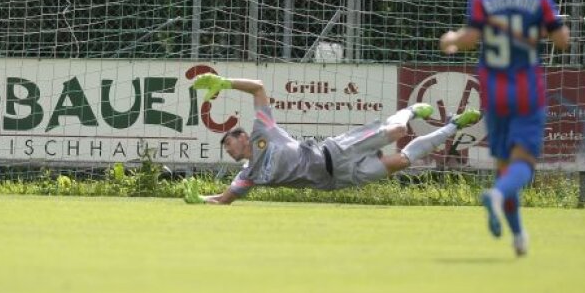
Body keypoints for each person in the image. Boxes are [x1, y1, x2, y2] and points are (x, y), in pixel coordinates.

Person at [439, 0, 570, 257]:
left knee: (503, 167)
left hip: (495, 93)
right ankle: (497, 196)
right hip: (527, 91)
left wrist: (450, 39)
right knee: (523, 163)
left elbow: (469, 39)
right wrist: (544, 31)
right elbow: (563, 41)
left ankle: (518, 236)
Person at [182, 73, 482, 205]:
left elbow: (258, 87)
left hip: (336, 150)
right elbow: (224, 201)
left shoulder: (264, 131)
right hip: (341, 178)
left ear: (243, 136)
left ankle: (409, 110)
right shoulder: (249, 175)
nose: (228, 149)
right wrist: (200, 200)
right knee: (403, 160)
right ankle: (454, 125)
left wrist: (225, 82)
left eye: (229, 143)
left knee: (398, 132)